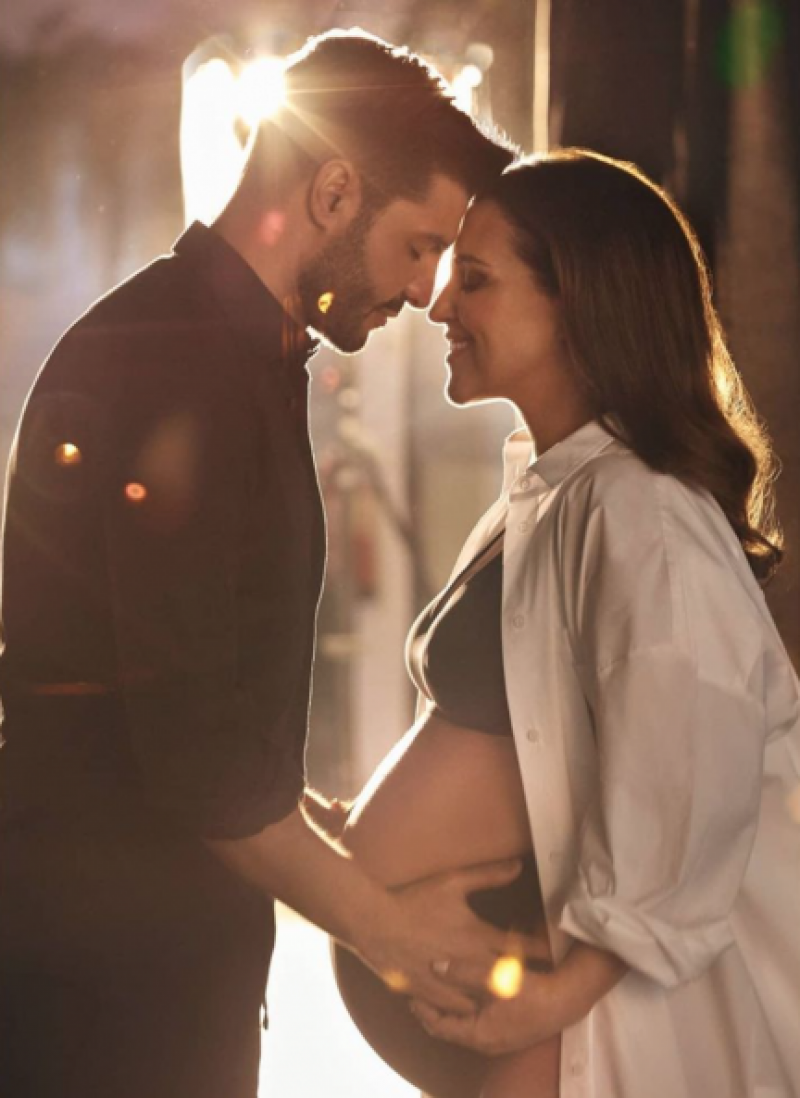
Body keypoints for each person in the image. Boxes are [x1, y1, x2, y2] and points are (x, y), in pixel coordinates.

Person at [0, 29, 520, 1098]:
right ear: (334, 192)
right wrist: (390, 929)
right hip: (103, 987)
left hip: (156, 957)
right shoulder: (179, 365)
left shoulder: (236, 355)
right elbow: (194, 751)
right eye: (420, 245)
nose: (427, 292)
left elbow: (193, 699)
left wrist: (345, 832)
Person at [334, 149, 800, 1098]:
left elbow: (690, 759)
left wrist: (562, 996)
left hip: (583, 1028)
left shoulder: (643, 510)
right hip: (529, 1021)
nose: (438, 306)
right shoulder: (551, 489)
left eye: (476, 278)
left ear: (576, 300)